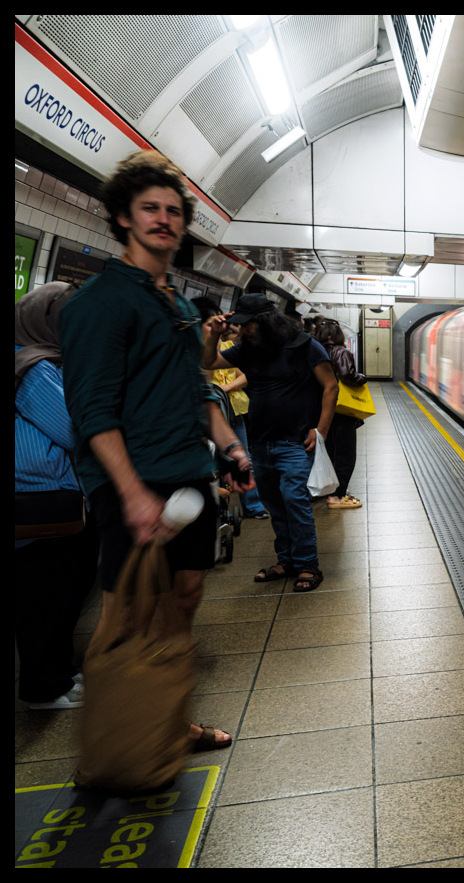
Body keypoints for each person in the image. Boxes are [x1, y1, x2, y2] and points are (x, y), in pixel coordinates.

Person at [60, 149, 254, 751]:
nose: (164, 220)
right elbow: (92, 412)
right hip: (134, 483)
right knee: (127, 615)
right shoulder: (98, 303)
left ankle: (166, 719)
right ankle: (117, 741)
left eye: (173, 211)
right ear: (123, 217)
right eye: (150, 209)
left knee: (187, 595)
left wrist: (227, 445)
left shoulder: (176, 307)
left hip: (188, 473)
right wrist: (133, 494)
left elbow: (194, 387)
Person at [202, 292, 338, 592]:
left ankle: (307, 564)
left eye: (245, 324)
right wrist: (213, 334)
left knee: (295, 502)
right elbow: (208, 360)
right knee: (275, 505)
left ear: (262, 321)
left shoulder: (303, 345)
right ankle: (287, 559)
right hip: (261, 442)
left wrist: (322, 430)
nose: (240, 329)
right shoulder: (248, 348)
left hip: (295, 441)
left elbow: (330, 385)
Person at [15, 282, 100, 711]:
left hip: (64, 493)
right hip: (41, 495)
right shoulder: (32, 367)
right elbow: (72, 429)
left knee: (67, 588)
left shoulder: (52, 363)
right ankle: (41, 687)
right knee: (45, 594)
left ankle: (58, 673)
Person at [193, 297, 268, 519]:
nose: (216, 328)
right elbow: (204, 375)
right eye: (209, 324)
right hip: (209, 417)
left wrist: (226, 387)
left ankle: (253, 506)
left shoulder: (228, 348)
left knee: (243, 458)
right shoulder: (192, 353)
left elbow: (244, 376)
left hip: (233, 410)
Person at [314, 320, 366, 509]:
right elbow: (348, 375)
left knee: (329, 450)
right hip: (341, 409)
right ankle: (337, 495)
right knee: (346, 454)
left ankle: (329, 490)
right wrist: (361, 377)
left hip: (320, 408)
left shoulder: (315, 351)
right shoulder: (340, 352)